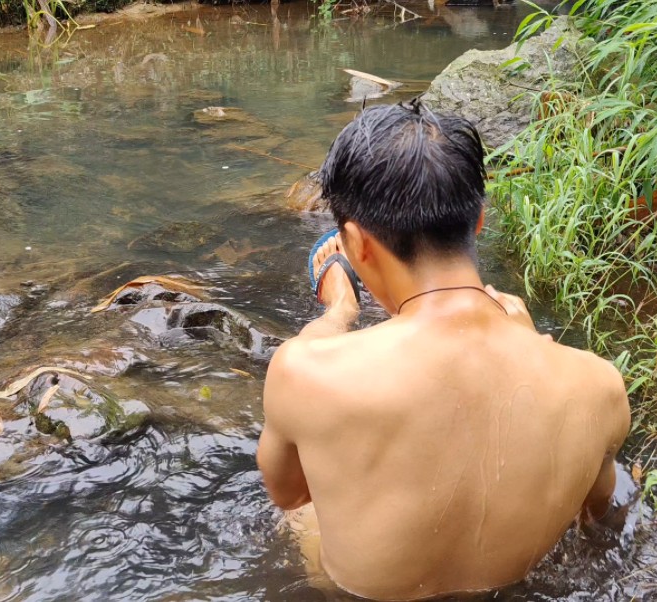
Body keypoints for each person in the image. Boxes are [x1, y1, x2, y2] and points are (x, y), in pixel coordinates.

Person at [256, 100, 631, 601]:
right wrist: (532, 338)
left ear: (354, 244)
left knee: (302, 516)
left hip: (355, 593)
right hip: (513, 585)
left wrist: (339, 313)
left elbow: (288, 493)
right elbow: (598, 510)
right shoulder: (599, 383)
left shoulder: (303, 372)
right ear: (478, 221)